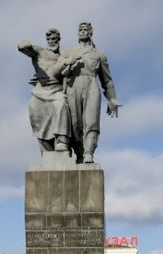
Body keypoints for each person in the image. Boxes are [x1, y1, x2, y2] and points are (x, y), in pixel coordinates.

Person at [62, 22, 120, 163]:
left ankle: (89, 152)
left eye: (85, 29)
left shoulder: (99, 55)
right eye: (80, 30)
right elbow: (59, 71)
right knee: (74, 124)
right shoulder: (68, 52)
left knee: (92, 121)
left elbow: (107, 80)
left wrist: (112, 99)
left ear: (90, 32)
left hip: (92, 85)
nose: (82, 32)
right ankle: (79, 152)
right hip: (72, 87)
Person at [18, 29, 71, 154]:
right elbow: (25, 48)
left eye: (54, 39)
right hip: (40, 91)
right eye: (49, 39)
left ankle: (62, 140)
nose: (52, 41)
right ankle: (46, 147)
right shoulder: (39, 51)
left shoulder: (63, 56)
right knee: (33, 106)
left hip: (57, 90)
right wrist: (24, 45)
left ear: (59, 40)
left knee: (61, 104)